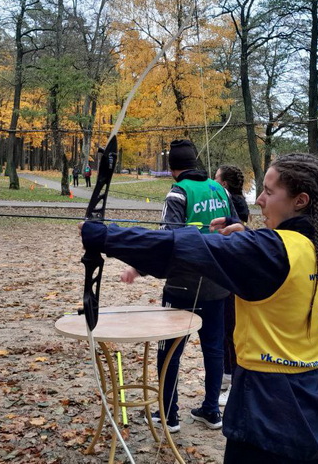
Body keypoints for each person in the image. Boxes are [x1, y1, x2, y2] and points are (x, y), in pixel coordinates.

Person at [81, 152, 318, 463]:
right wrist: (248, 237)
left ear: (300, 201)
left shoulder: (270, 251)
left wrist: (107, 236)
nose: (259, 201)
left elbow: (180, 248)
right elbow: (283, 262)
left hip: (269, 405)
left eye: (269, 192)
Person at [121, 139, 236, 432]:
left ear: (173, 169)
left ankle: (167, 414)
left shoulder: (178, 192)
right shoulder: (220, 189)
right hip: (219, 283)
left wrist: (138, 268)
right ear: (195, 164)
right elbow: (235, 229)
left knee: (169, 350)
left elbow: (167, 243)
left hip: (182, 287)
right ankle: (212, 411)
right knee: (214, 349)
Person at [213, 165, 250, 406]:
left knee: (231, 329)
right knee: (227, 329)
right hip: (230, 270)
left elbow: (238, 234)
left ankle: (234, 381)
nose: (212, 182)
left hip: (233, 273)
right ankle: (227, 376)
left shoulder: (233, 204)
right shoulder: (235, 201)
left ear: (224, 184)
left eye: (215, 179)